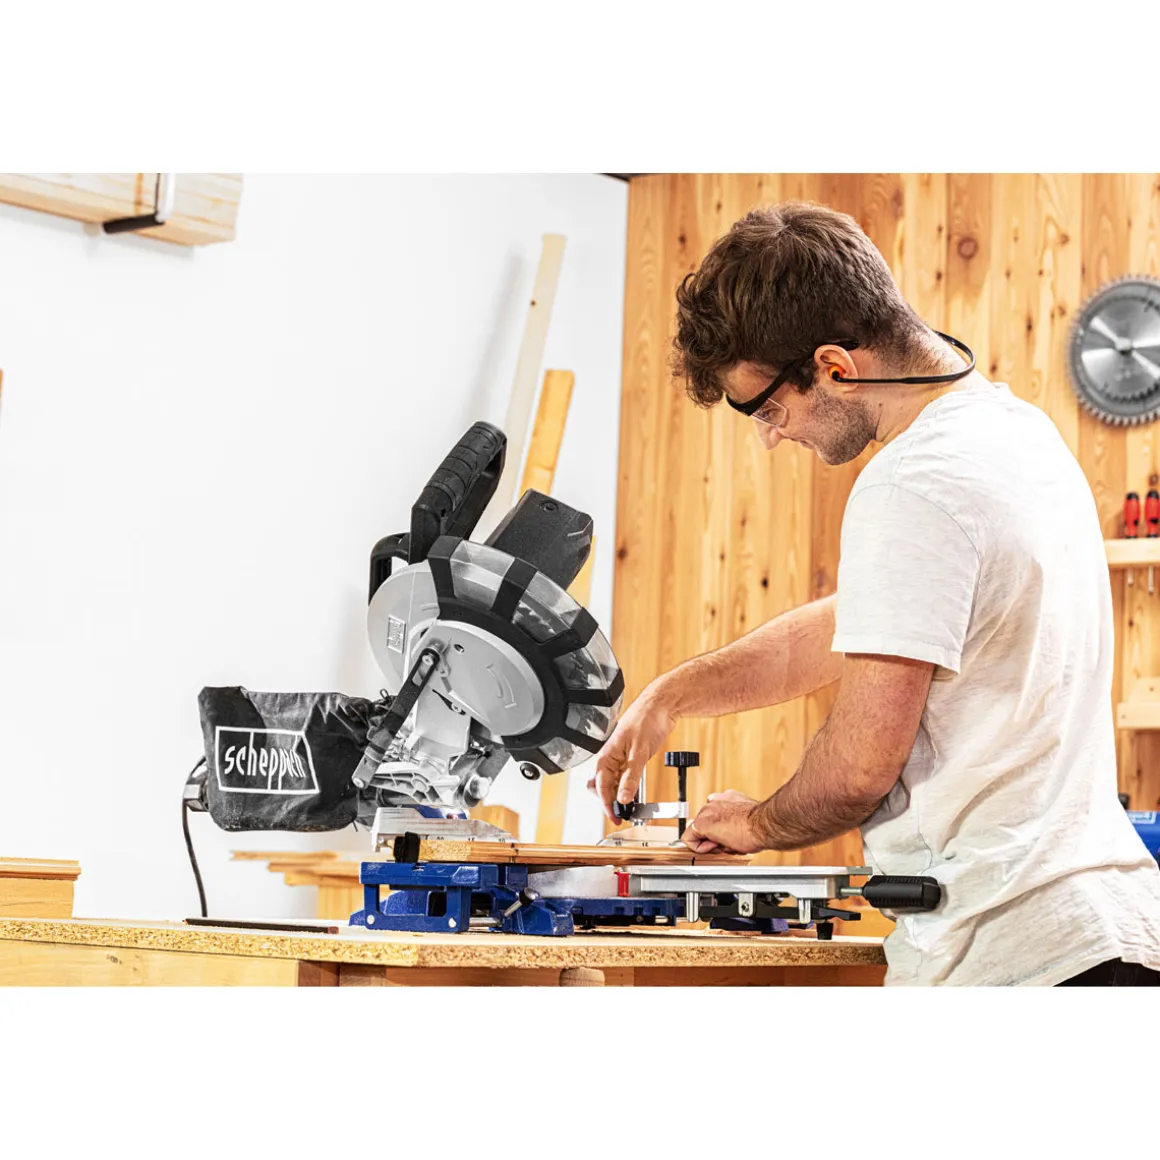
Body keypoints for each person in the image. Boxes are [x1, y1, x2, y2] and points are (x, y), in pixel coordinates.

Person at [589, 202, 1160, 986]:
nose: (769, 436)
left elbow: (857, 772)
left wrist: (754, 822)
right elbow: (870, 620)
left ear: (835, 367)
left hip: (1012, 954)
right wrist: (676, 692)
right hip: (1104, 928)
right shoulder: (1017, 433)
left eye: (767, 409)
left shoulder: (913, 483)